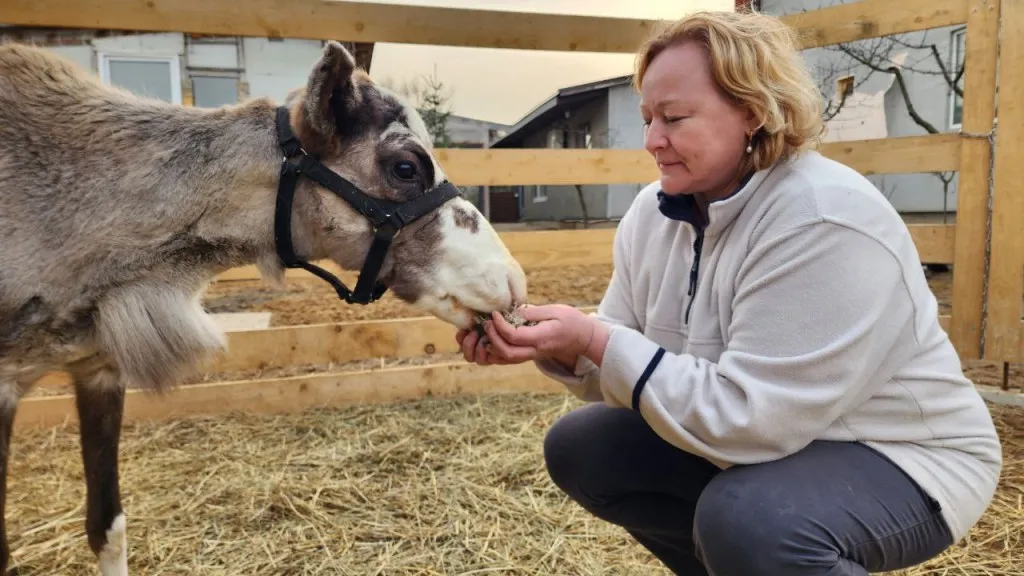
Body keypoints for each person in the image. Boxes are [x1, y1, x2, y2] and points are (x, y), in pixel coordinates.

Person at [454, 8, 1003, 576]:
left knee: (750, 521)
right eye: (647, 118)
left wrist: (597, 337)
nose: (652, 141)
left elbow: (754, 419)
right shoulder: (652, 215)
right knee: (585, 446)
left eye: (674, 118)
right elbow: (626, 368)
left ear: (755, 112)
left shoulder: (821, 219)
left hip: (901, 455)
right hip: (773, 444)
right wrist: (563, 346)